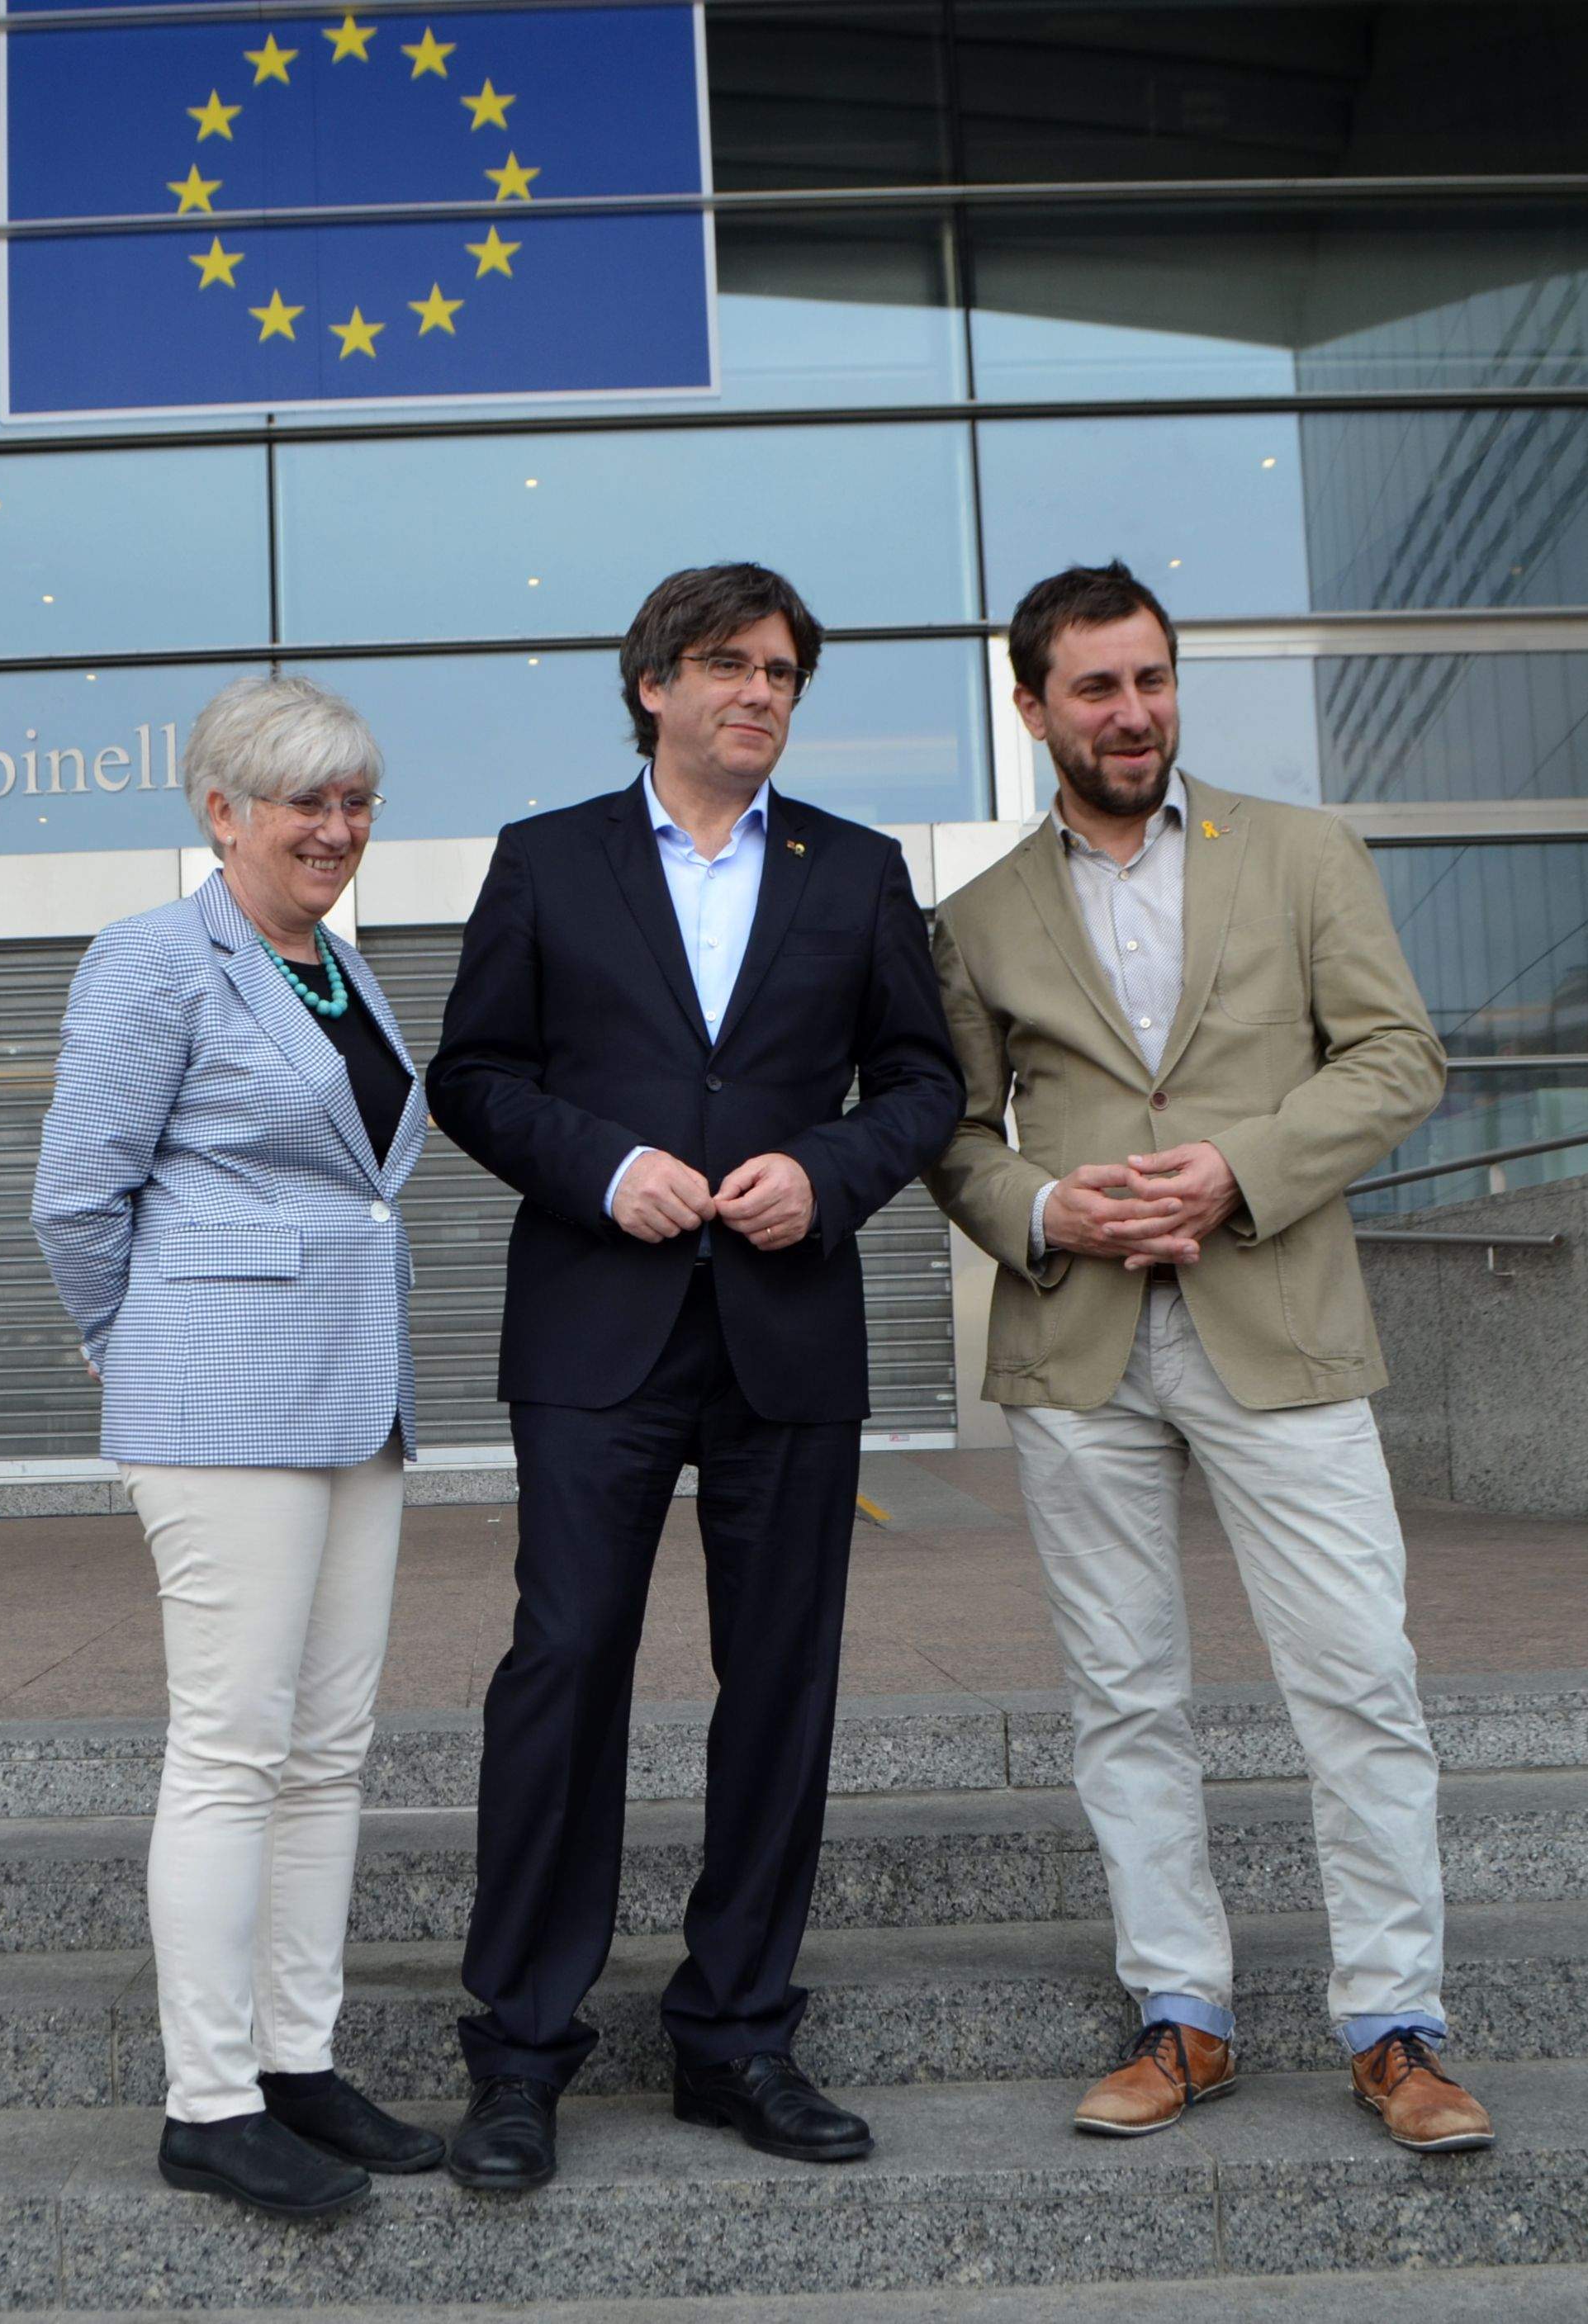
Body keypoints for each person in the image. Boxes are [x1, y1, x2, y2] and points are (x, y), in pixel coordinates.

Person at [924, 562, 1489, 2154]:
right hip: (1081, 1345)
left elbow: (1399, 1055)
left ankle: (1398, 2028)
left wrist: (1240, 1169)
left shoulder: (1304, 854)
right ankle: (1185, 2018)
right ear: (1028, 706)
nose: (1132, 714)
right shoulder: (970, 921)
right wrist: (1048, 1206)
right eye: (1095, 689)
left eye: (1153, 680)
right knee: (1123, 1697)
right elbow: (955, 1138)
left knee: (1359, 1683)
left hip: (1281, 1321)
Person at [426, 563, 964, 2192]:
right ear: (651, 682)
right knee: (565, 1664)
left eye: (784, 669)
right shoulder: (545, 860)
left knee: (781, 1683)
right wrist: (600, 1169)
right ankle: (520, 2052)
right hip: (599, 1326)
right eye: (729, 663)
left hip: (786, 1324)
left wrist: (832, 1169)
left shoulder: (856, 871)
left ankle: (736, 2035)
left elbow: (925, 1077)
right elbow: (472, 1074)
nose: (761, 690)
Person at [31, 674, 445, 2222]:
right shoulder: (155, 961)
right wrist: (132, 1347)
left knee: (327, 1752)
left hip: (356, 1402)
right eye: (302, 803)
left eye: (355, 802)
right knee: (228, 1750)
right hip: (219, 1405)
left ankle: (298, 2062)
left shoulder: (339, 964)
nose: (336, 830)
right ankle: (208, 2099)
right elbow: (78, 1198)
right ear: (221, 812)